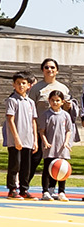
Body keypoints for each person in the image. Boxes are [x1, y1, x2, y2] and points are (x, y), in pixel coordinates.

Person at [27, 58, 71, 191]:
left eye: (52, 67)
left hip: (56, 133)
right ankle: (23, 186)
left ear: (57, 70)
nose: (49, 70)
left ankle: (52, 189)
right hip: (40, 130)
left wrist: (69, 106)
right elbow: (30, 108)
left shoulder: (63, 88)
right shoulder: (36, 88)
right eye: (46, 67)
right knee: (35, 159)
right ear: (42, 70)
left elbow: (67, 111)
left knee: (55, 162)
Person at [2, 72, 38, 201]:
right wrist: (16, 138)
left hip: (28, 139)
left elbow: (33, 121)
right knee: (14, 165)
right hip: (16, 140)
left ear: (29, 85)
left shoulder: (30, 102)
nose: (21, 85)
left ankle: (24, 189)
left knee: (25, 166)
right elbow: (10, 120)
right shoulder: (12, 100)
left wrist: (35, 140)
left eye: (24, 83)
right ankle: (12, 189)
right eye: (18, 83)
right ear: (14, 85)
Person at [41, 89, 78, 201]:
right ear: (49, 101)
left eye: (58, 100)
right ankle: (47, 191)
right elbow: (42, 131)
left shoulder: (66, 115)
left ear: (62, 102)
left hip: (62, 148)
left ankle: (61, 191)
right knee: (48, 169)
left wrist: (66, 142)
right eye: (53, 100)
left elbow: (69, 130)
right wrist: (46, 142)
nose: (55, 103)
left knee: (62, 169)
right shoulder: (46, 115)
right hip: (50, 147)